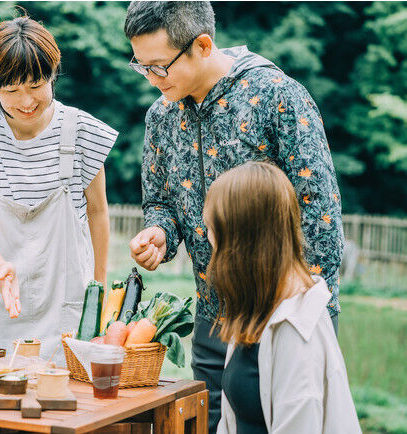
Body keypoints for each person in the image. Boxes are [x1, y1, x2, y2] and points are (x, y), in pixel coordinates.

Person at [123, 2, 344, 432]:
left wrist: (305, 313)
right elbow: (160, 202)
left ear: (202, 45)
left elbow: (321, 215)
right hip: (213, 314)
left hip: (281, 317)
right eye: (141, 66)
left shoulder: (276, 95)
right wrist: (159, 233)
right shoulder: (160, 117)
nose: (150, 79)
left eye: (159, 67)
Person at [0, 16, 117, 364]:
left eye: (36, 85)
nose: (25, 101)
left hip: (68, 310)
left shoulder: (84, 132)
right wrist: (0, 266)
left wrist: (99, 295)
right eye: (10, 90)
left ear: (53, 74)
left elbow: (98, 213)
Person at [203, 162, 360, 433]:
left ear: (241, 240)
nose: (208, 238)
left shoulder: (295, 331)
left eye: (213, 228)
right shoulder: (257, 308)